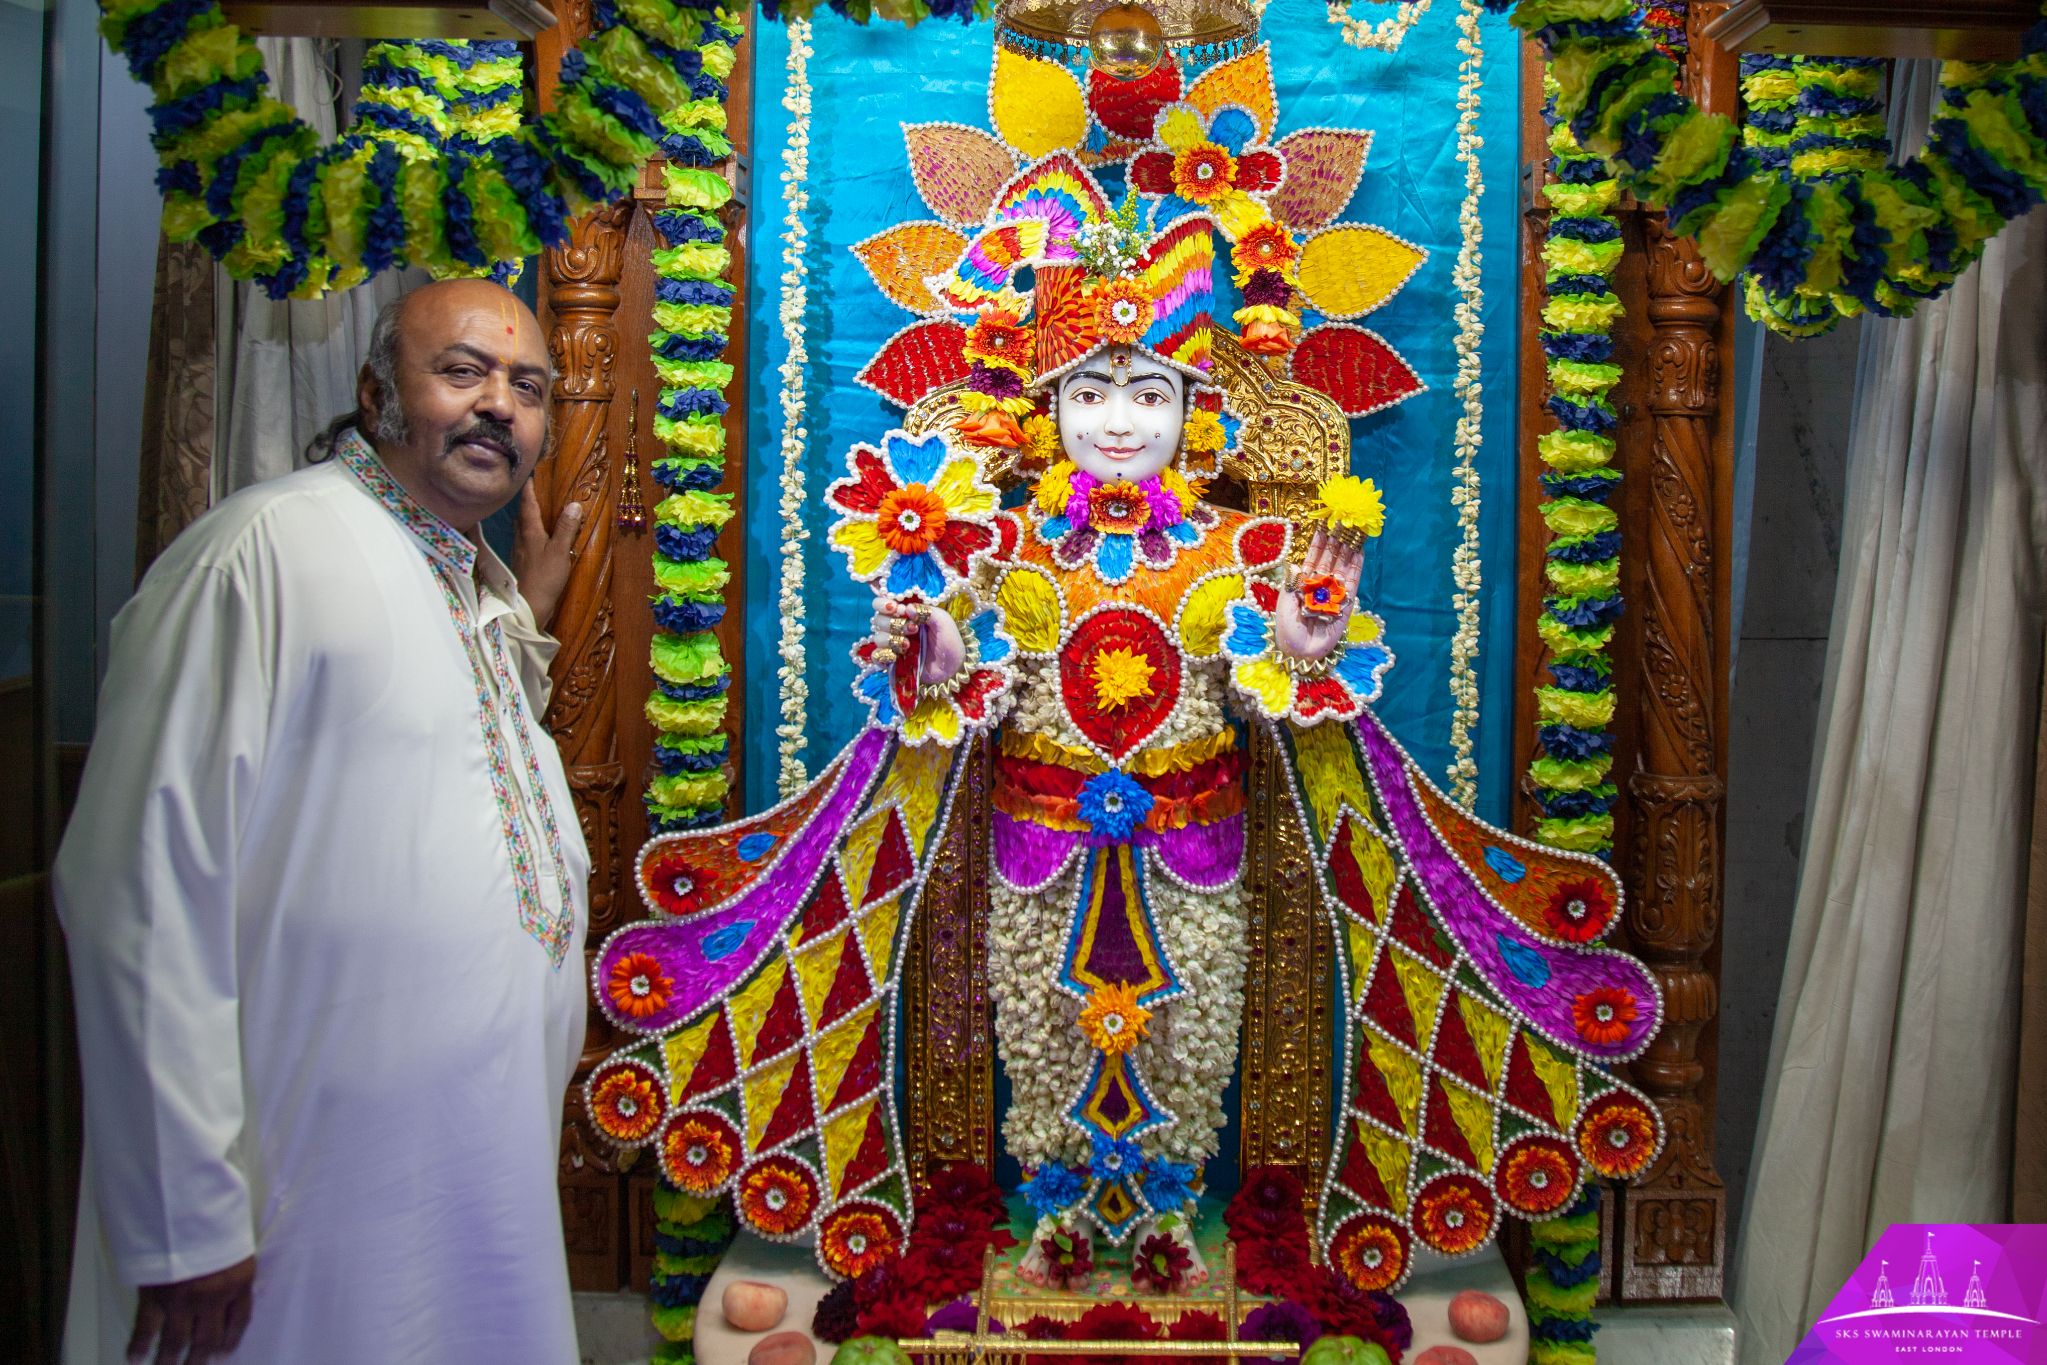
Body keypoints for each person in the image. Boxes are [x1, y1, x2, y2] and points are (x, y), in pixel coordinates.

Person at [56, 278, 591, 1364]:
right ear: (374, 391)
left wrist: (522, 618)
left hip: (460, 1167)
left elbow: (428, 756)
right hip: (294, 1187)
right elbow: (139, 885)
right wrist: (186, 1214)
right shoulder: (264, 553)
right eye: (463, 372)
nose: (500, 404)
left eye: (528, 387)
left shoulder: (464, 584)